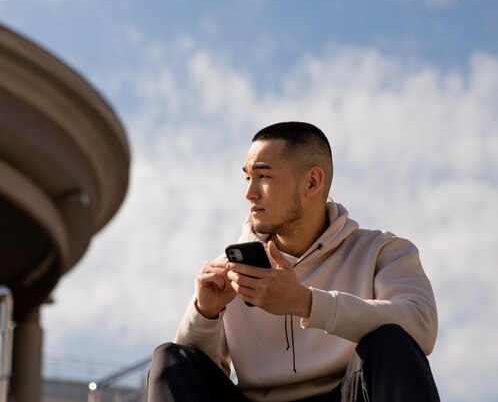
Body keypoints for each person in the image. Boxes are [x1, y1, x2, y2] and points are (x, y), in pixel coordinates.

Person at [147, 122, 440, 402]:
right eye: (248, 177)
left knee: (392, 340)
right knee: (171, 358)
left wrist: (307, 303)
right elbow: (195, 379)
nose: (249, 193)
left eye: (263, 176)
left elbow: (420, 328)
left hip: (348, 394)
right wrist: (205, 314)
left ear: (312, 182)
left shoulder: (382, 250)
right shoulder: (231, 270)